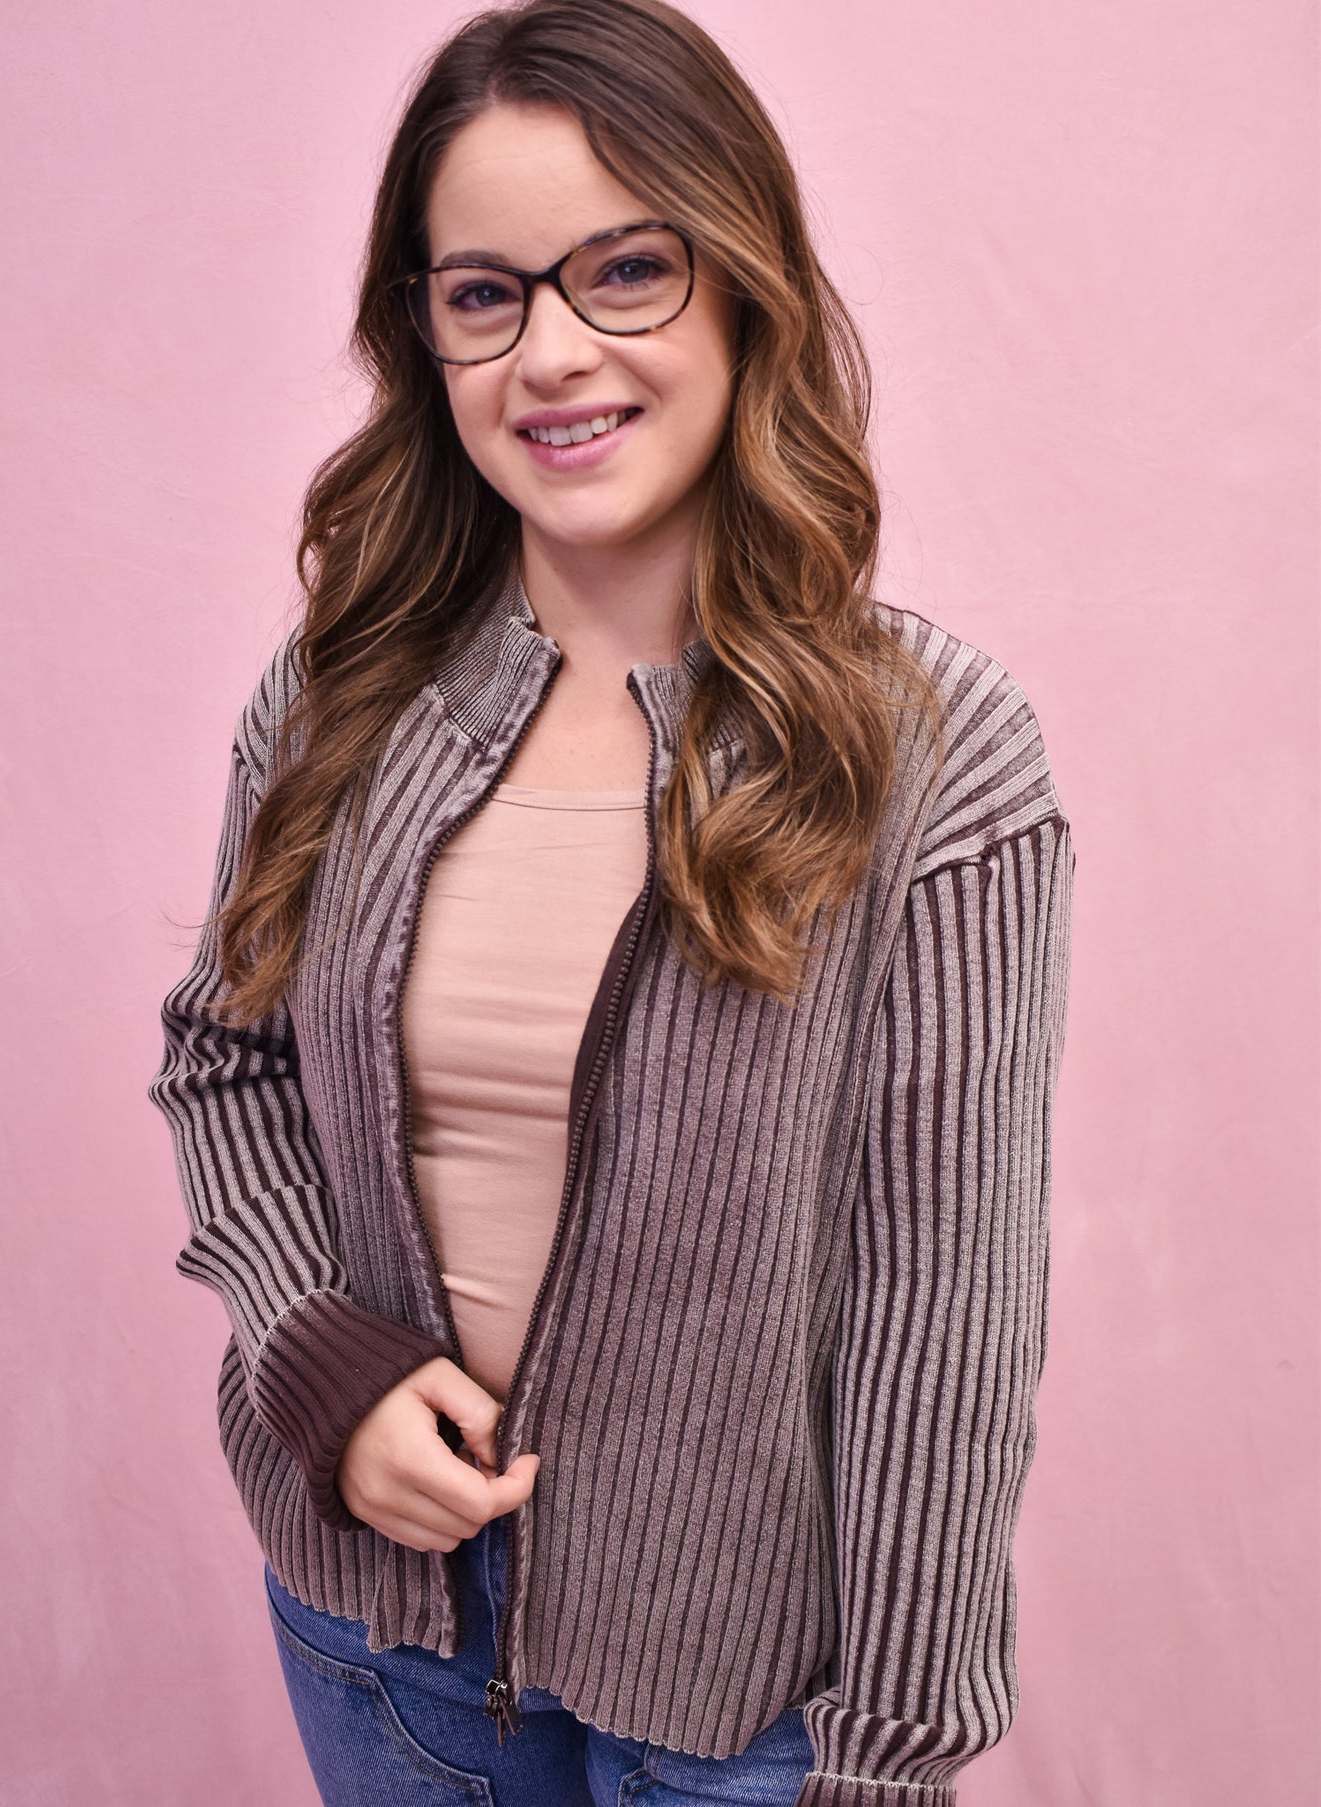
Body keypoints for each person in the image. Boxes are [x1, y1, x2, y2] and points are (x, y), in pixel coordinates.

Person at [148, 1, 1075, 1802]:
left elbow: (942, 1320)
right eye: (484, 294)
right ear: (423, 333)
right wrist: (320, 1359)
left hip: (748, 1709)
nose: (552, 355)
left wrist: (887, 1760)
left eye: (626, 271)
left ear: (742, 286)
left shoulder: (928, 751)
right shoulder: (341, 694)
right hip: (376, 1638)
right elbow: (225, 1065)